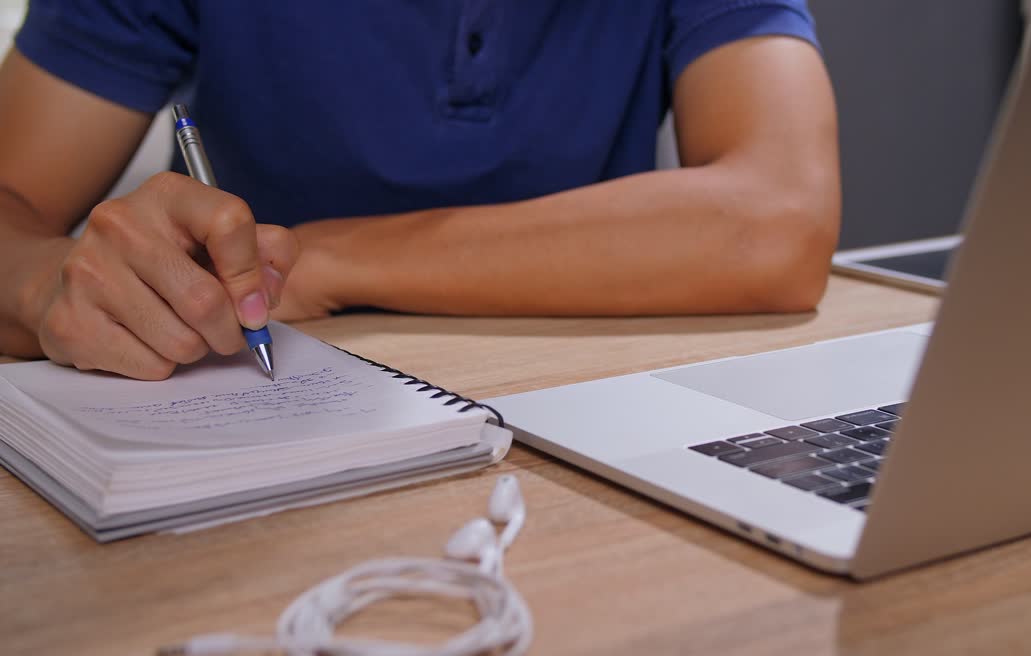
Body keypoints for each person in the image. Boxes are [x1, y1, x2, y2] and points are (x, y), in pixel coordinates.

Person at [0, 1, 840, 380]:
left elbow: (777, 220)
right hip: (255, 436)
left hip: (578, 425)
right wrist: (45, 282)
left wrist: (326, 260)